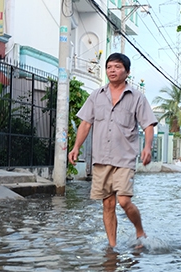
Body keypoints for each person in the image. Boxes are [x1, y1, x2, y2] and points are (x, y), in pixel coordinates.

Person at [68, 52, 158, 248]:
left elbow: (148, 125)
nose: (112, 70)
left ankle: (139, 230)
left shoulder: (137, 98)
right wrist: (76, 147)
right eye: (109, 67)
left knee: (124, 201)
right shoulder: (96, 96)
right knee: (107, 204)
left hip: (124, 158)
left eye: (117, 67)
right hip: (101, 158)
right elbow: (85, 124)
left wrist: (147, 147)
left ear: (127, 71)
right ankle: (112, 247)